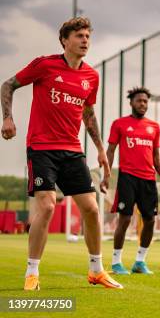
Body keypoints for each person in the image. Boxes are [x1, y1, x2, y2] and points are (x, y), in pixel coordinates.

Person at [0, 17, 123, 290]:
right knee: (46, 206)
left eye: (88, 36)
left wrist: (101, 149)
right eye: (79, 36)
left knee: (91, 209)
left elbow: (88, 114)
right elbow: (7, 85)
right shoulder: (44, 65)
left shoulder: (91, 76)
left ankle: (96, 270)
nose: (85, 41)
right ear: (64, 40)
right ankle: (32, 273)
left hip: (72, 151)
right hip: (42, 149)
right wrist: (7, 118)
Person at [104, 86, 160, 275]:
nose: (143, 104)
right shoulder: (119, 124)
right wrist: (106, 176)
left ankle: (140, 262)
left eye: (145, 101)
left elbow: (156, 155)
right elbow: (110, 151)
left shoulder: (154, 127)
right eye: (139, 101)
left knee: (150, 220)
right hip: (128, 178)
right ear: (131, 102)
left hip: (148, 179)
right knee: (124, 219)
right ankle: (116, 263)